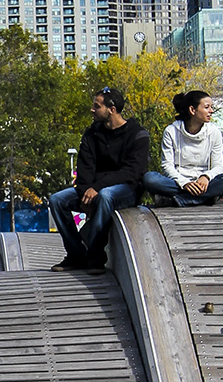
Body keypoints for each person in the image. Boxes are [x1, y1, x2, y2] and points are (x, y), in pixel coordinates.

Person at [49, 86, 150, 275]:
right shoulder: (92, 133)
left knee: (105, 196)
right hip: (94, 189)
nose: (92, 110)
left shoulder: (137, 134)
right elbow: (84, 168)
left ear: (111, 109)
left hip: (126, 190)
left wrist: (96, 188)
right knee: (57, 200)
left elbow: (132, 172)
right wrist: (85, 192)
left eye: (97, 106)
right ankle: (76, 253)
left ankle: (95, 255)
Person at [143, 91, 223, 207]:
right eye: (207, 107)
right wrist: (185, 183)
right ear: (192, 110)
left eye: (211, 107)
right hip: (178, 182)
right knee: (150, 179)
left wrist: (206, 177)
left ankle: (182, 200)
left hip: (204, 183)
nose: (211, 111)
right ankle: (203, 198)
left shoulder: (214, 132)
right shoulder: (171, 131)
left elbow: (218, 166)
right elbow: (167, 166)